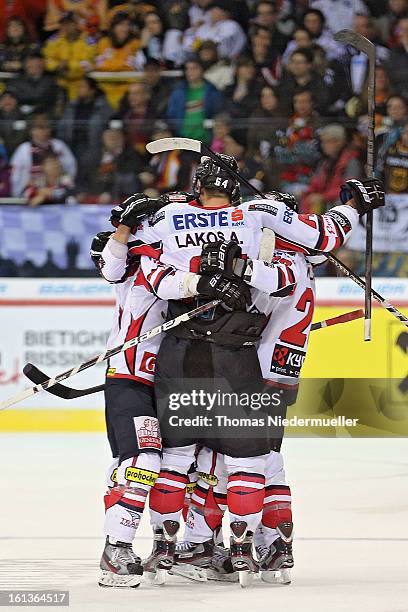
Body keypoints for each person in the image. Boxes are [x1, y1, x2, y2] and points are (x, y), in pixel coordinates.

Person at [101, 154, 384, 583]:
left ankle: (181, 545)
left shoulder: (171, 231)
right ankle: (258, 550)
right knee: (254, 461)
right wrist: (353, 207)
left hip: (197, 363)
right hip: (261, 370)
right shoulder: (272, 237)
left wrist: (217, 272)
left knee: (186, 458)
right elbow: (321, 240)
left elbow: (127, 266)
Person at [58, 77, 113, 191]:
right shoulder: (71, 106)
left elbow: (108, 129)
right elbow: (62, 126)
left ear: (92, 90)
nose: (79, 90)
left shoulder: (103, 107)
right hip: (71, 146)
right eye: (78, 87)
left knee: (88, 176)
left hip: (93, 147)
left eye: (82, 87)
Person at [10, 114, 77, 197]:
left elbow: (70, 169)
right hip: (30, 192)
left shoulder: (59, 146)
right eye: (40, 128)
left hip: (58, 192)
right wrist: (19, 192)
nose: (44, 131)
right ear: (32, 130)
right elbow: (15, 175)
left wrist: (59, 188)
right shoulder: (23, 149)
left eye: (47, 127)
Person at [301, 124, 362, 214]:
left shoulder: (351, 162)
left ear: (339, 142)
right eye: (323, 142)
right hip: (325, 199)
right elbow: (316, 182)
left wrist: (323, 197)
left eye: (327, 141)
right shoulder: (325, 162)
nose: (323, 145)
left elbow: (349, 189)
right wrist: (308, 193)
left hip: (338, 203)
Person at [166, 57, 224, 142]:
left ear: (202, 70)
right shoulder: (177, 92)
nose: (190, 72)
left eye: (194, 68)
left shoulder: (213, 92)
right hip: (182, 141)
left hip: (206, 141)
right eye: (187, 69)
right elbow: (171, 115)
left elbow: (218, 114)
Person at [94, 12, 141, 109]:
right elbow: (100, 66)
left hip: (127, 94)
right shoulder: (103, 43)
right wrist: (121, 64)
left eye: (127, 25)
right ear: (113, 27)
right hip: (105, 93)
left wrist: (110, 64)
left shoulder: (135, 44)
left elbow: (132, 67)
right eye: (121, 25)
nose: (125, 29)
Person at [9, 48, 60, 115]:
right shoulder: (15, 81)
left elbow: (52, 103)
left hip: (45, 118)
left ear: (43, 63)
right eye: (31, 60)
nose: (35, 64)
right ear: (24, 64)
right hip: (20, 117)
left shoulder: (51, 81)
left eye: (38, 61)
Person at [0, 90, 27, 156]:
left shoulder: (23, 117)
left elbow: (19, 141)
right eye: (3, 98)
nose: (7, 100)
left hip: (18, 154)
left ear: (16, 101)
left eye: (11, 98)